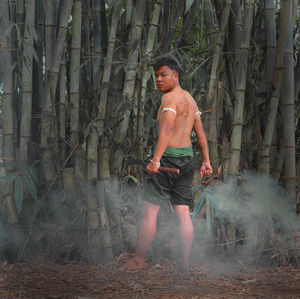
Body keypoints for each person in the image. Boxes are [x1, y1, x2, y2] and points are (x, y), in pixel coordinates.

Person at [124, 57, 213, 271]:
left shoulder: (169, 99)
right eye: (156, 75)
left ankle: (137, 261)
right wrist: (206, 161)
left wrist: (156, 160)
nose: (158, 79)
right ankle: (184, 265)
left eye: (163, 74)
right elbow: (200, 135)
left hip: (167, 161)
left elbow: (168, 129)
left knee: (149, 212)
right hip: (187, 161)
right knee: (183, 213)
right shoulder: (191, 100)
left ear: (176, 75)